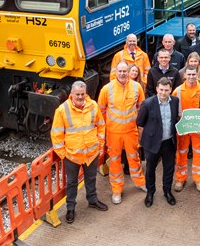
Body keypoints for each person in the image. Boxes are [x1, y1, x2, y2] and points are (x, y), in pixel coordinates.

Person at [51, 81, 108, 223]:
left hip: (91, 153)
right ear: (72, 94)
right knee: (71, 182)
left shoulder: (93, 106)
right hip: (72, 156)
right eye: (77, 94)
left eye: (83, 94)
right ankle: (70, 207)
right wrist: (63, 154)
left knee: (91, 178)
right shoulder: (62, 110)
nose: (80, 97)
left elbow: (101, 126)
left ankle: (92, 200)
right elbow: (56, 134)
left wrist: (99, 145)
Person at [97, 61, 147, 204]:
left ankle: (139, 182)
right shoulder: (107, 89)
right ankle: (117, 190)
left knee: (134, 157)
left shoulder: (137, 87)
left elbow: (141, 107)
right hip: (114, 132)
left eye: (125, 71)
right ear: (116, 72)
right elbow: (101, 111)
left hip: (131, 130)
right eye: (120, 71)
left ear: (128, 72)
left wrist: (140, 127)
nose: (123, 74)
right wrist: (105, 130)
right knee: (114, 161)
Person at [137, 77, 180, 207]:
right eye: (161, 90)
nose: (163, 93)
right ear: (156, 89)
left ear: (170, 90)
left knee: (169, 168)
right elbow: (140, 122)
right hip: (152, 143)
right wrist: (143, 141)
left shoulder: (175, 101)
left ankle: (167, 191)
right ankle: (150, 192)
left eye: (166, 90)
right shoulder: (148, 103)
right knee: (150, 169)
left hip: (169, 142)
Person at [173, 66, 200, 193]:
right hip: (183, 126)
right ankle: (180, 178)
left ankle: (198, 179)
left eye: (194, 74)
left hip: (198, 127)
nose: (191, 77)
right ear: (185, 75)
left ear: (197, 75)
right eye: (189, 74)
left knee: (198, 152)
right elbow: (173, 110)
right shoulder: (178, 91)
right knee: (181, 152)